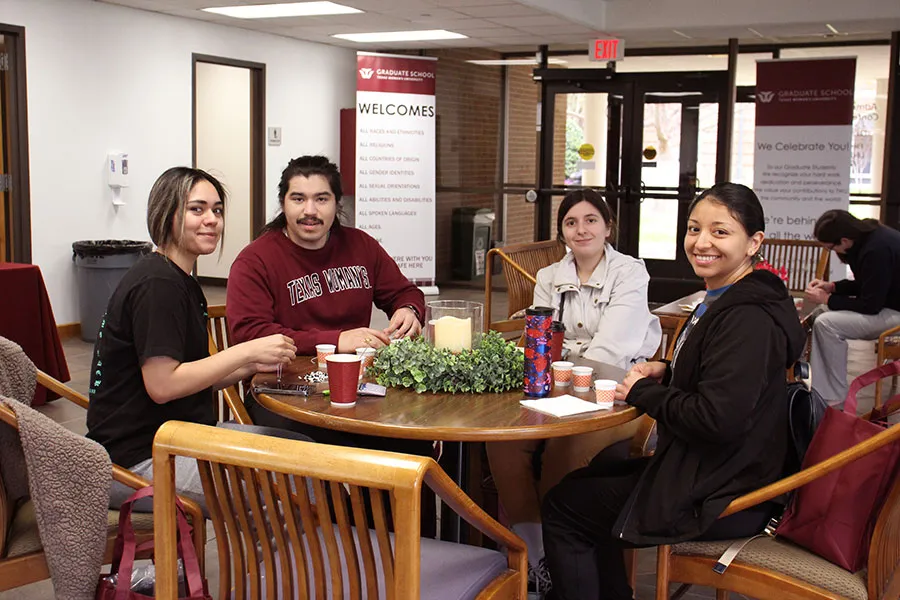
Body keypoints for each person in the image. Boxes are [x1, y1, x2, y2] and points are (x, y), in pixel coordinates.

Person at [540, 182, 806, 600]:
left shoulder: (747, 318)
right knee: (586, 480)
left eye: (720, 232)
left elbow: (717, 418)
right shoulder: (726, 297)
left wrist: (645, 392)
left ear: (754, 242)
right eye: (694, 228)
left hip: (726, 490)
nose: (702, 243)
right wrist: (670, 370)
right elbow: (723, 376)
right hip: (721, 466)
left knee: (565, 507)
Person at [87, 167, 301, 510]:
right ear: (166, 213)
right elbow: (163, 385)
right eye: (196, 209)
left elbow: (189, 376)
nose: (212, 220)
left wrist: (247, 366)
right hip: (139, 462)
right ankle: (274, 562)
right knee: (289, 479)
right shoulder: (157, 286)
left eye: (217, 210)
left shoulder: (178, 279)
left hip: (179, 438)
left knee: (303, 451)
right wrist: (244, 350)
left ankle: (273, 560)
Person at [485, 189, 661, 594]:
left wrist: (562, 361)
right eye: (571, 222)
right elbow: (541, 340)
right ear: (562, 232)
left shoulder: (630, 273)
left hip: (614, 397)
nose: (581, 230)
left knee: (564, 449)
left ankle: (558, 560)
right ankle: (538, 556)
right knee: (504, 443)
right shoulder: (549, 277)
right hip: (556, 392)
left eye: (591, 220)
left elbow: (611, 349)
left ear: (608, 227)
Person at [226, 156, 430, 454]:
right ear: (283, 204)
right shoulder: (255, 261)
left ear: (337, 204)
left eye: (321, 199)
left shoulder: (361, 245)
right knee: (358, 450)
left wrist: (408, 310)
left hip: (357, 390)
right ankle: (351, 501)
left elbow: (405, 292)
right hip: (284, 395)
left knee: (415, 441)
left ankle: (392, 501)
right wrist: (337, 340)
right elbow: (251, 334)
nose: (310, 211)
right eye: (298, 199)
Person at [806, 209, 900, 405]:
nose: (834, 252)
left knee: (826, 323)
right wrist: (833, 287)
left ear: (845, 241)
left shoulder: (876, 250)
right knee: (820, 315)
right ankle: (820, 390)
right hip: (886, 304)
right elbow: (869, 284)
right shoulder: (868, 237)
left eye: (832, 248)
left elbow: (870, 304)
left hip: (895, 311)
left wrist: (827, 298)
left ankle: (833, 399)